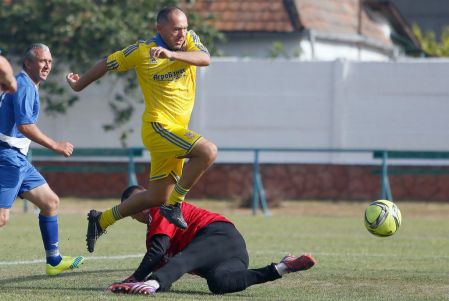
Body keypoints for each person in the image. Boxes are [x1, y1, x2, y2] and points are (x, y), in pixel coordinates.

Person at [66, 6, 217, 252]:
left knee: (157, 196)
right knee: (207, 151)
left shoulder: (189, 42)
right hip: (159, 127)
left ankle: (101, 219)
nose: (182, 33)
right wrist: (79, 84)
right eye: (176, 29)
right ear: (159, 29)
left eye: (184, 28)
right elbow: (107, 62)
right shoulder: (141, 51)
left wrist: (171, 55)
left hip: (176, 133)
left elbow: (205, 59)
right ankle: (174, 205)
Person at [107, 185, 316, 296]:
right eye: (133, 205)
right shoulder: (151, 232)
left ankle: (153, 284)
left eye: (140, 200)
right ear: (130, 213)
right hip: (233, 253)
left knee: (184, 258)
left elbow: (160, 251)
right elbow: (165, 265)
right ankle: (281, 268)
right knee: (219, 283)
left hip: (218, 234)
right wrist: (154, 281)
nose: (140, 206)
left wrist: (140, 279)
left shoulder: (161, 206)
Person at [0, 43, 84, 275]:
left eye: (49, 61)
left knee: (50, 202)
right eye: (42, 61)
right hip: (7, 157)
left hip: (17, 158)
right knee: (2, 218)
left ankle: (54, 260)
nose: (47, 65)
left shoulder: (25, 83)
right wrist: (55, 145)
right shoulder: (24, 85)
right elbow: (25, 126)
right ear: (28, 63)